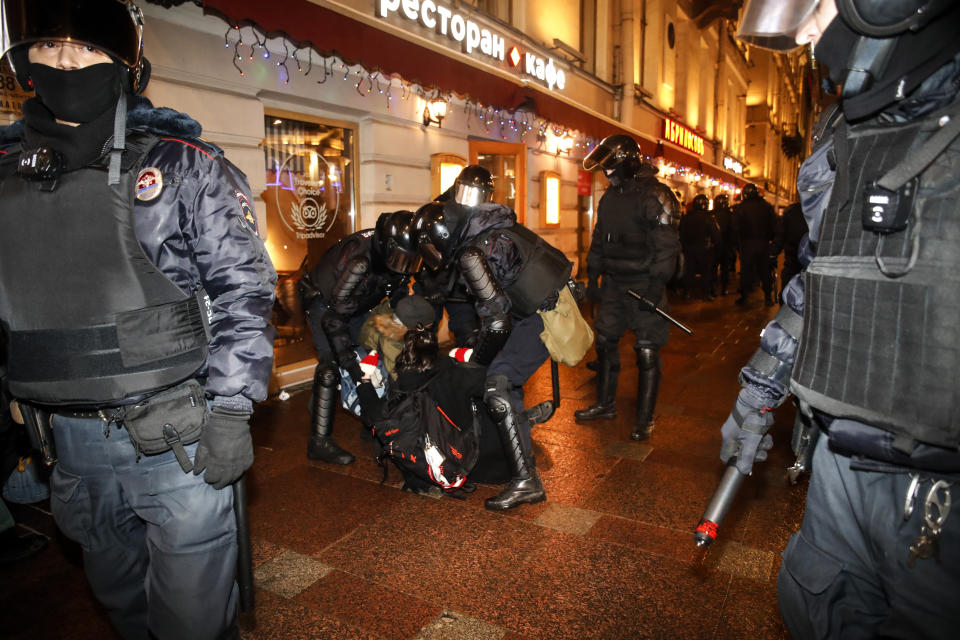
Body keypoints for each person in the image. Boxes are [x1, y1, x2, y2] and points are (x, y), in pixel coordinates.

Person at [0, 1, 277, 637]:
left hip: (175, 440)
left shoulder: (178, 164)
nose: (67, 61)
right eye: (49, 47)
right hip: (67, 448)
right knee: (123, 605)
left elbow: (244, 287)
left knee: (191, 622)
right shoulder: (5, 174)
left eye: (87, 50)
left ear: (125, 66)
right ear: (25, 62)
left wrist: (233, 408)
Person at [726, 0, 960, 637]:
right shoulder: (843, 131)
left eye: (816, 6)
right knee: (818, 605)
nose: (806, 35)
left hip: (940, 488)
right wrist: (759, 388)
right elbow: (821, 277)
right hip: (840, 455)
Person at [413, 165, 574, 510]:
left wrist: (478, 362)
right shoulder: (491, 225)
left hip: (541, 319)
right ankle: (518, 437)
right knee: (504, 380)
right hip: (543, 308)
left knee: (496, 385)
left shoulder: (471, 253)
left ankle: (526, 481)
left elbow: (497, 322)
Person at [574, 134, 681, 442]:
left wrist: (656, 286)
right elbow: (599, 236)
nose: (606, 173)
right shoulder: (610, 197)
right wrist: (592, 274)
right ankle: (605, 404)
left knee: (647, 351)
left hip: (646, 283)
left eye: (611, 166)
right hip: (614, 284)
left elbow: (667, 247)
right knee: (605, 342)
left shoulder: (656, 195)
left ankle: (645, 419)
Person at [298, 210, 421, 465]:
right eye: (399, 259)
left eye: (408, 261)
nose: (403, 266)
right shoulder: (359, 262)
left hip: (358, 303)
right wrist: (351, 367)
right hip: (325, 305)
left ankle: (371, 420)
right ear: (387, 247)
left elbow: (397, 292)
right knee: (332, 366)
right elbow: (333, 320)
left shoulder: (395, 257)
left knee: (369, 359)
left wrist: (407, 326)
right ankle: (318, 441)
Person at [732, 182, 778, 306]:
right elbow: (775, 226)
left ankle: (745, 296)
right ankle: (768, 297)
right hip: (763, 243)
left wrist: (738, 244)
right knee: (765, 271)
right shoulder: (766, 206)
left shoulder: (741, 207)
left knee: (746, 271)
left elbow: (736, 227)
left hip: (747, 244)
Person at [678, 194, 721, 301]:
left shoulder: (686, 218)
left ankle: (687, 292)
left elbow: (681, 234)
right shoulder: (709, 218)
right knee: (706, 272)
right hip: (704, 249)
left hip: (689, 249)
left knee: (689, 272)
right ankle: (705, 294)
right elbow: (716, 234)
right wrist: (715, 245)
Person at [773, 201, 808, 300]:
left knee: (787, 295)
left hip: (793, 262)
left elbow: (780, 236)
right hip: (813, 263)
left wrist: (773, 253)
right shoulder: (827, 208)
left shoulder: (792, 211)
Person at [712, 193, 737, 296]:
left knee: (713, 267)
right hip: (726, 246)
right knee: (725, 268)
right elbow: (734, 231)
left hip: (714, 246)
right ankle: (724, 288)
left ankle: (712, 289)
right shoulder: (731, 215)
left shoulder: (711, 215)